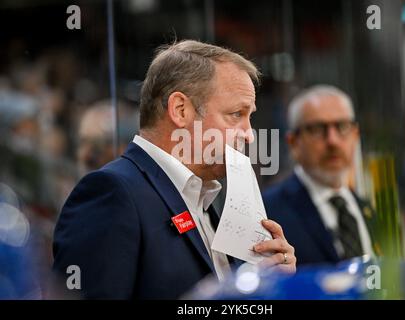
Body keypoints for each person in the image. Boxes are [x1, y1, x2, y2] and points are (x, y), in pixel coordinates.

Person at [52, 40, 296, 299]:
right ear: (180, 110)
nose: (249, 135)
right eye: (237, 114)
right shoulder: (111, 193)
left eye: (250, 117)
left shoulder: (203, 198)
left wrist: (264, 283)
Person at [263, 85, 378, 266]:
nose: (332, 140)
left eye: (341, 126)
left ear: (355, 135)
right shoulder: (269, 212)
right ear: (293, 142)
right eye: (317, 129)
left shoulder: (368, 209)